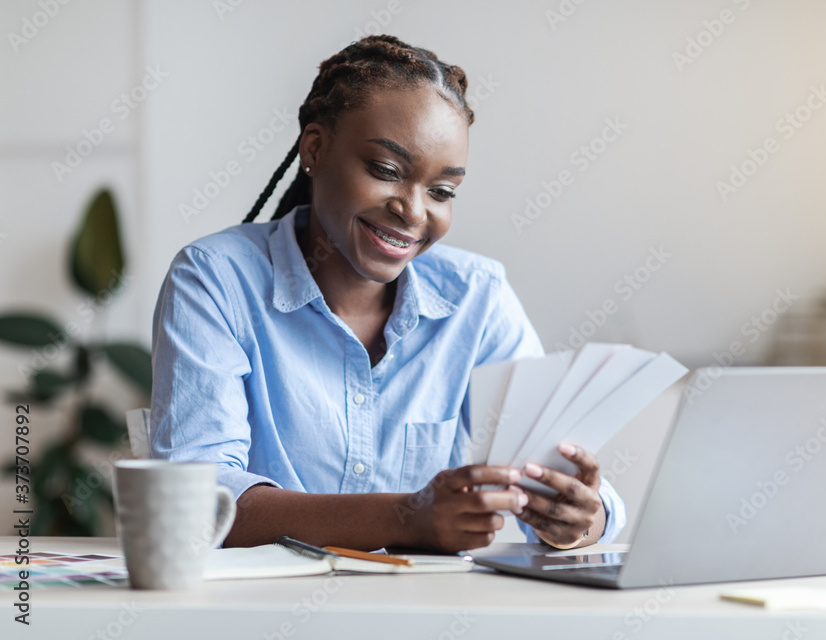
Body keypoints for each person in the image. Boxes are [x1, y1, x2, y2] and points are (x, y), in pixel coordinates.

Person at [150, 35, 626, 553]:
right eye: (386, 171)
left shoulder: (479, 299)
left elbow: (547, 476)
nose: (415, 212)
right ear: (315, 149)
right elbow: (195, 502)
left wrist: (582, 515)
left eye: (442, 192)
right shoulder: (215, 280)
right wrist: (407, 517)